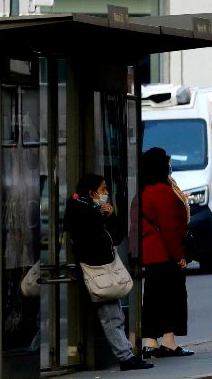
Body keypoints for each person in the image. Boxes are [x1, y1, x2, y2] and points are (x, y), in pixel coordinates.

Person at [64, 174, 153, 372]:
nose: (106, 194)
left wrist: (110, 215)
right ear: (91, 192)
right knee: (111, 316)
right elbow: (93, 238)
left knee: (116, 314)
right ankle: (125, 356)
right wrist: (101, 215)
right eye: (103, 189)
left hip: (104, 268)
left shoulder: (95, 210)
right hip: (96, 270)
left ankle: (127, 353)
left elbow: (117, 235)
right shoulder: (80, 210)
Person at [139, 147, 195, 359]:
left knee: (153, 298)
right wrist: (179, 254)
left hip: (152, 254)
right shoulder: (162, 191)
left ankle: (150, 343)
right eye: (166, 163)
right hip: (165, 253)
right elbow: (170, 227)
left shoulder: (144, 189)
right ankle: (169, 343)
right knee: (172, 298)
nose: (169, 167)